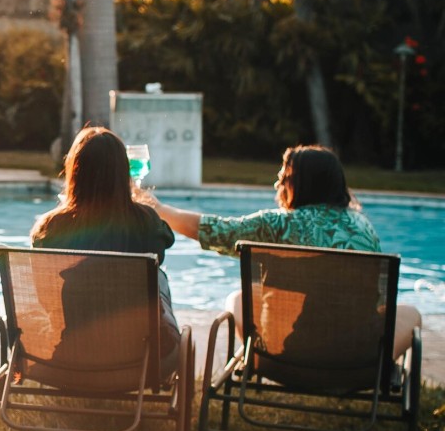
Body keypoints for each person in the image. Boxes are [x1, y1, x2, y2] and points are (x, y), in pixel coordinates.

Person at [145, 144, 421, 356]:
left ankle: (256, 358)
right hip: (358, 358)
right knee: (410, 313)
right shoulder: (363, 228)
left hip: (287, 355)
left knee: (239, 300)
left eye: (284, 177)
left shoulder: (278, 226)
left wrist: (160, 210)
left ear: (300, 184)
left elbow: (217, 230)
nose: (278, 184)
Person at [30, 127, 181, 362]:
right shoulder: (145, 221)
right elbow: (164, 243)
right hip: (138, 356)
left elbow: (45, 297)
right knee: (157, 276)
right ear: (123, 173)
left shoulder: (49, 227)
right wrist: (142, 206)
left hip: (68, 352)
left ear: (74, 172)